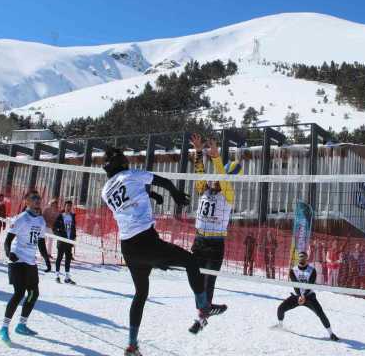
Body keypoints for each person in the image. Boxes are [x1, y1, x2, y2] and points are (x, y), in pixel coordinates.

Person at [100, 147, 226, 356]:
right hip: (146, 241)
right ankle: (204, 307)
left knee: (140, 294)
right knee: (191, 262)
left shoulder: (105, 191)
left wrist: (153, 195)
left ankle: (132, 345)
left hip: (128, 248)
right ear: (123, 163)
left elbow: (130, 194)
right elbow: (164, 181)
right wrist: (174, 194)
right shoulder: (132, 174)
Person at [190, 134, 238, 313]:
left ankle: (205, 308)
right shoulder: (203, 189)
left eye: (218, 177)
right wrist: (198, 152)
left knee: (209, 280)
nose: (215, 179)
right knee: (197, 277)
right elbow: (199, 172)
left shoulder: (228, 195)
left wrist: (217, 157)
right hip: (199, 240)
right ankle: (203, 307)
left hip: (215, 243)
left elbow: (223, 178)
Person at [0, 190, 52, 345]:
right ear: (26, 201)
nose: (37, 200)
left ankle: (21, 325)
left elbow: (41, 242)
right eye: (34, 198)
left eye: (39, 198)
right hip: (18, 259)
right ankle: (4, 328)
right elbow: (8, 240)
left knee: (34, 293)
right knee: (19, 293)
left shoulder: (41, 220)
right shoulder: (22, 218)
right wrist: (9, 253)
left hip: (30, 261)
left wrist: (47, 260)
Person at [276, 251, 339, 341]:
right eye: (300, 257)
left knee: (321, 314)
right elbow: (296, 286)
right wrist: (299, 296)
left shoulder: (312, 270)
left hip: (309, 296)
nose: (301, 259)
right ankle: (280, 326)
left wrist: (304, 296)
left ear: (306, 258)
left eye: (303, 257)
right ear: (298, 258)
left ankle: (331, 334)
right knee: (280, 308)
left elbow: (310, 285)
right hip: (297, 296)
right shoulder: (293, 270)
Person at [53, 200, 77, 284]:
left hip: (69, 241)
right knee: (59, 258)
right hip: (62, 241)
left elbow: (73, 229)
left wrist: (74, 238)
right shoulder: (60, 216)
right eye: (67, 206)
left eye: (70, 206)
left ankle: (67, 277)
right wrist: (59, 236)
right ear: (64, 206)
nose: (69, 208)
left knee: (68, 258)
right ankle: (57, 276)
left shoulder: (72, 216)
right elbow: (54, 228)